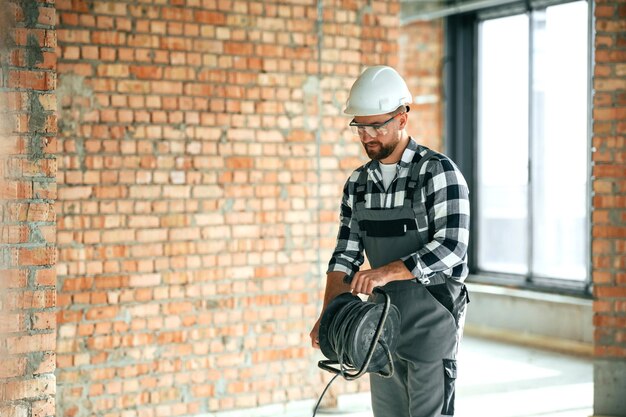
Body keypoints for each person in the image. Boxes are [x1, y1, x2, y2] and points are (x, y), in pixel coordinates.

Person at [309, 65, 471, 417]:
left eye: (377, 125)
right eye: (360, 126)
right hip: (379, 325)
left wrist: (385, 273)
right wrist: (330, 314)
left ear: (402, 117)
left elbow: (451, 248)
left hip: (433, 318)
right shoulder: (358, 184)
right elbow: (345, 255)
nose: (368, 136)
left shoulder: (438, 172)